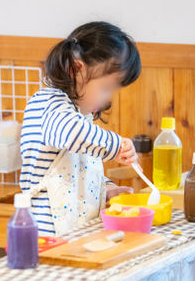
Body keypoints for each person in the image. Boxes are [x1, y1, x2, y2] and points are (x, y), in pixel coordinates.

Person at [20, 21, 141, 236]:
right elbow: (70, 134)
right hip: (47, 237)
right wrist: (116, 145)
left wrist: (107, 189)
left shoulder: (79, 116)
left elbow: (81, 170)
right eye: (105, 88)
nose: (107, 99)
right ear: (75, 69)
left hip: (77, 232)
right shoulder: (49, 103)